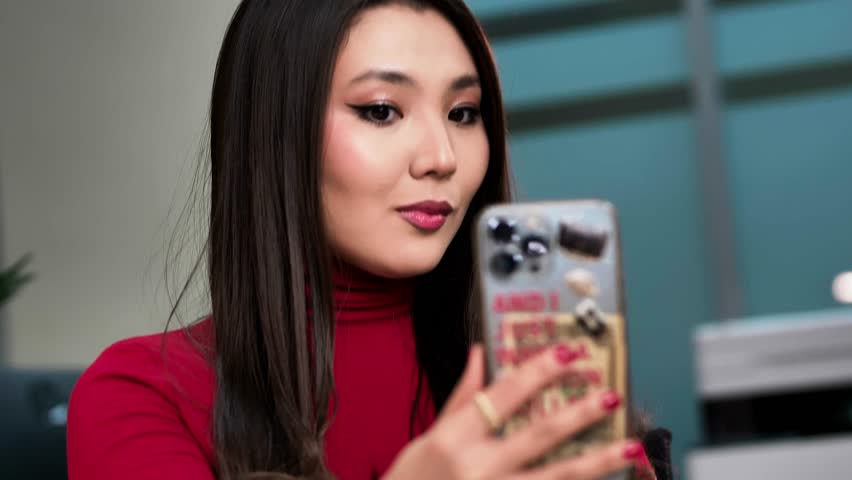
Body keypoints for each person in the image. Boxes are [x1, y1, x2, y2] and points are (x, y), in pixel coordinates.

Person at [67, 1, 671, 479]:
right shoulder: (141, 397)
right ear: (275, 135)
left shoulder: (535, 387)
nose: (442, 158)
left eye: (463, 113)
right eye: (382, 110)